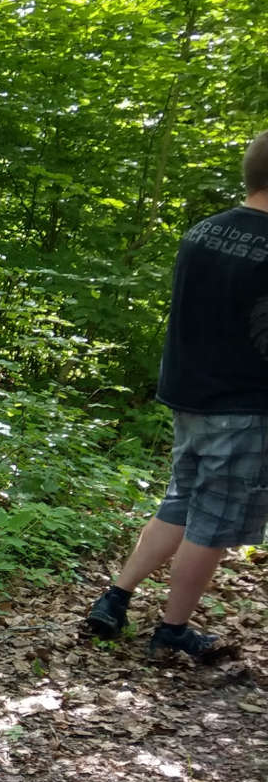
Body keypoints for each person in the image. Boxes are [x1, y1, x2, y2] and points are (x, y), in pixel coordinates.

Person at [85, 131, 268, 658]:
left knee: (182, 503)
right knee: (213, 524)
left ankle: (116, 598)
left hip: (190, 395)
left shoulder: (202, 231)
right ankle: (172, 629)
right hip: (243, 403)